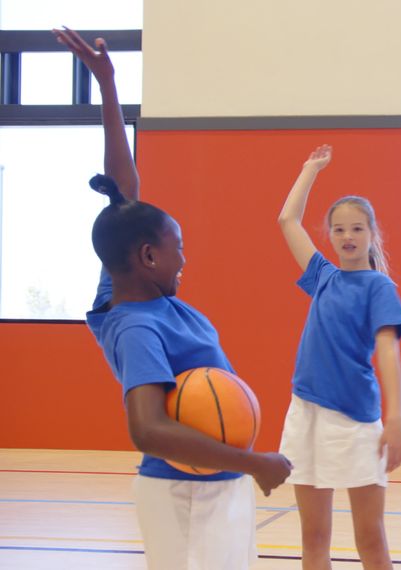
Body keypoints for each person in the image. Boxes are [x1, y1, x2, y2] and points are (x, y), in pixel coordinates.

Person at [54, 27, 292, 570]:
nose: (184, 259)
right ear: (148, 257)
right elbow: (148, 428)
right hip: (187, 496)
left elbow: (123, 193)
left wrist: (109, 86)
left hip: (212, 488)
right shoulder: (136, 325)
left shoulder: (127, 283)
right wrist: (252, 461)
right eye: (176, 248)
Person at [277, 144, 401, 570]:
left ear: (372, 234)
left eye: (356, 228)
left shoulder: (378, 288)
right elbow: (287, 220)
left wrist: (396, 419)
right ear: (330, 236)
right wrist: (310, 170)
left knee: (370, 540)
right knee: (313, 539)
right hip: (305, 415)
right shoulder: (322, 277)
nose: (348, 236)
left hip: (354, 421)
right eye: (338, 230)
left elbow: (388, 351)